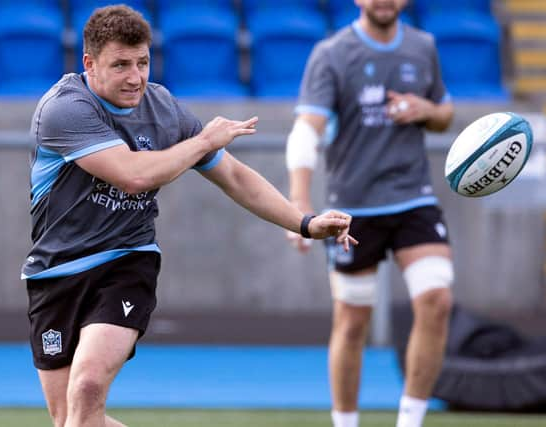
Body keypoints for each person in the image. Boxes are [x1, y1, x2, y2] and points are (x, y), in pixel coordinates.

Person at [21, 5, 356, 427]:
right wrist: (203, 142)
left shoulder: (164, 108)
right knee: (73, 420)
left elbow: (233, 175)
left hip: (126, 262)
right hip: (55, 273)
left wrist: (304, 222)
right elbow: (133, 175)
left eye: (142, 62)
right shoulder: (64, 109)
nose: (135, 77)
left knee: (87, 389)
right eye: (120, 65)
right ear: (89, 64)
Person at [285, 1, 455, 427]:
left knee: (437, 301)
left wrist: (426, 110)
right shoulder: (332, 53)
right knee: (352, 323)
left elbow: (445, 113)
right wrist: (299, 209)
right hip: (353, 209)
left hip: (413, 198)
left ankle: (410, 421)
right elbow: (306, 132)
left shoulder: (423, 46)